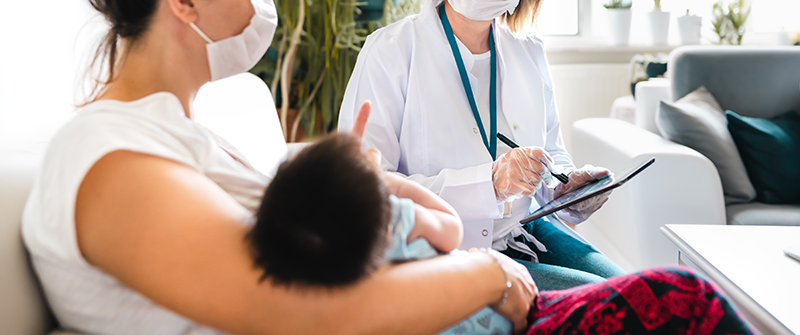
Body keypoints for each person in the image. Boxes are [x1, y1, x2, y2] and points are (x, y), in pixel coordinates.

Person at [20, 0, 753, 335]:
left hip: (461, 279)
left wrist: (399, 195)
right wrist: (486, 270)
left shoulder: (185, 135)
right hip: (465, 285)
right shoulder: (109, 158)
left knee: (665, 294)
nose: (266, 8)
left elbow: (361, 229)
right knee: (687, 301)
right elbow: (290, 307)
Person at [338, 0, 627, 290]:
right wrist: (489, 183)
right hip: (442, 251)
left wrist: (568, 185)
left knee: (644, 291)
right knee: (618, 306)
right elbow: (365, 191)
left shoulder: (529, 54)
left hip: (524, 236)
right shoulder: (390, 51)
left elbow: (550, 158)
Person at [248, 133, 754, 335]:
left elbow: (551, 169)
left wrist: (565, 191)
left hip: (525, 239)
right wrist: (394, 180)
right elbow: (445, 221)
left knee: (635, 287)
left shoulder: (527, 52)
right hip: (495, 278)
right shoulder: (391, 226)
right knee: (674, 296)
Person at [248, 131, 512, 335]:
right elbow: (452, 229)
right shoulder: (400, 222)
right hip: (494, 319)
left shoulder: (325, 272)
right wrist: (387, 181)